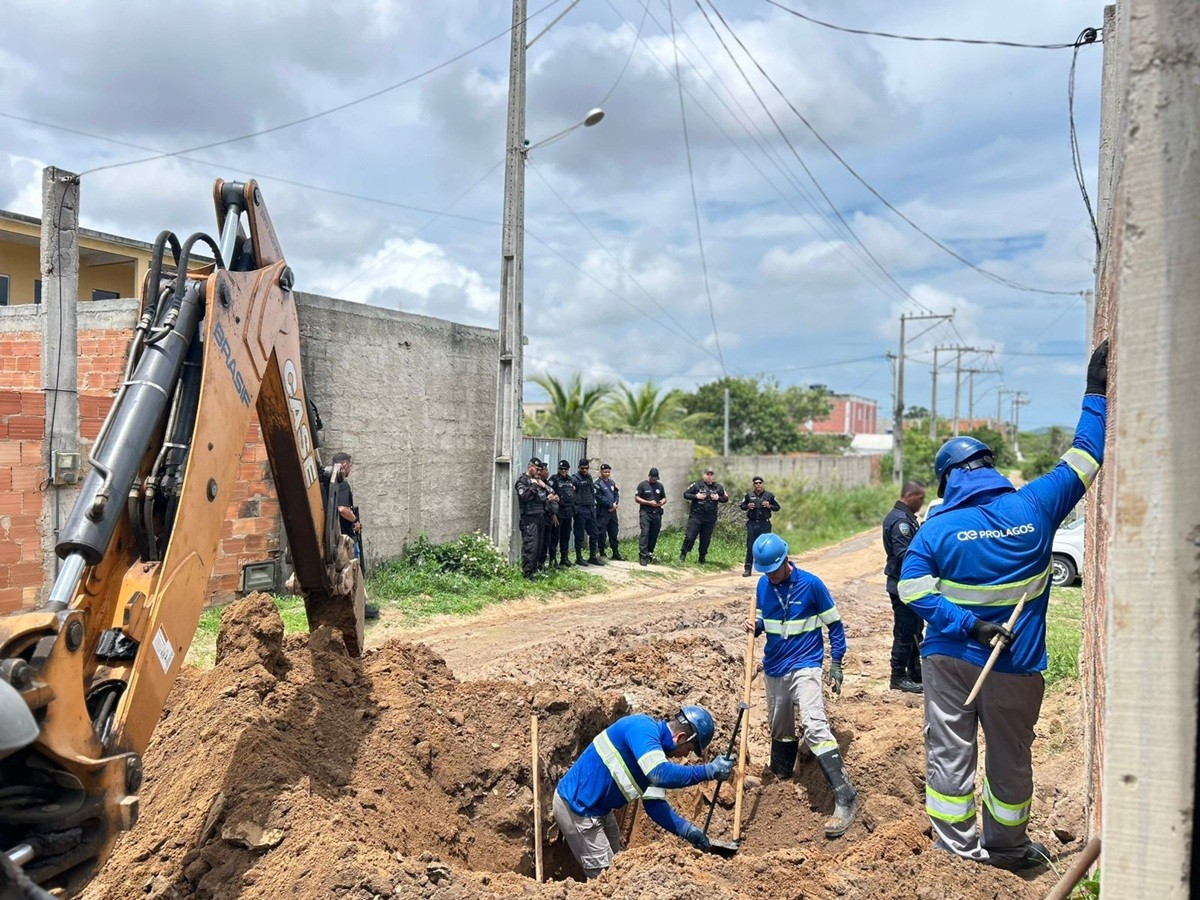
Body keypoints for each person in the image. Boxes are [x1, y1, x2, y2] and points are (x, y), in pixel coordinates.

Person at [898, 341, 1108, 871]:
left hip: (949, 658)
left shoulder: (936, 529)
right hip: (1016, 663)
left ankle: (956, 854)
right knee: (1010, 756)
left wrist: (968, 624)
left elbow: (912, 591)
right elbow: (1086, 456)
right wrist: (1095, 392)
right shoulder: (1037, 503)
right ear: (989, 468)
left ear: (949, 479)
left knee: (950, 751)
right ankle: (1008, 849)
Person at [746, 533, 859, 838]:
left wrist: (836, 661)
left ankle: (845, 794)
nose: (770, 575)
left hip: (806, 663)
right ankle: (781, 779)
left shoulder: (811, 585)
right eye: (765, 571)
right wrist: (755, 626)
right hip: (775, 666)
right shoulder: (762, 586)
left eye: (774, 569)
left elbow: (835, 625)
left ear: (785, 560)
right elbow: (764, 619)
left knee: (813, 724)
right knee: (779, 727)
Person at [553, 706, 734, 878]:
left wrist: (688, 831)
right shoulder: (642, 728)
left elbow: (655, 805)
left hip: (599, 811)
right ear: (681, 737)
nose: (686, 756)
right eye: (689, 749)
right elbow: (660, 774)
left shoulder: (653, 753)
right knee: (607, 880)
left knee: (620, 868)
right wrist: (707, 771)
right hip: (577, 809)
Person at [882, 480, 927, 693]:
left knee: (916, 628)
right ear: (909, 495)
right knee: (905, 630)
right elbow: (904, 554)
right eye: (920, 498)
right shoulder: (901, 521)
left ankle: (914, 671)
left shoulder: (905, 518)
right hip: (903, 585)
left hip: (910, 584)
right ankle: (898, 675)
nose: (922, 503)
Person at [331, 452, 379, 619]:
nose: (350, 469)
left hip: (333, 539)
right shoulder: (342, 485)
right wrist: (355, 521)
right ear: (344, 465)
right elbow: (343, 509)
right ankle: (361, 607)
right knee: (355, 572)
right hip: (347, 539)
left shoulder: (326, 485)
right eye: (350, 466)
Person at [680, 469, 729, 564]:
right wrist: (696, 496)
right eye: (707, 474)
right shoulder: (696, 485)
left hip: (710, 519)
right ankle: (683, 555)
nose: (709, 476)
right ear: (704, 475)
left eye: (711, 474)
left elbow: (725, 498)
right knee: (690, 537)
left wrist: (718, 498)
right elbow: (685, 494)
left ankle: (702, 558)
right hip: (696, 517)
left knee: (705, 540)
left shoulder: (718, 487)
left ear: (713, 477)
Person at [515, 457, 549, 580]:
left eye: (540, 470)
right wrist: (534, 485)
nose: (539, 472)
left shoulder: (538, 481)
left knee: (539, 546)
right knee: (531, 547)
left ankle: (534, 570)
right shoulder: (522, 481)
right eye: (537, 469)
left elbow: (547, 495)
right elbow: (525, 497)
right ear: (530, 467)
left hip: (540, 517)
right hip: (529, 519)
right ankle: (527, 573)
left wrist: (544, 487)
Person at [739, 476, 780, 577]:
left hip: (764, 524)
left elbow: (777, 507)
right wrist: (747, 506)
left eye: (760, 483)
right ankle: (748, 569)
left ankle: (769, 570)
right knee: (750, 546)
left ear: (762, 484)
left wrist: (769, 506)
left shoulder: (769, 495)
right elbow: (742, 506)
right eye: (756, 483)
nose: (758, 485)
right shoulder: (749, 495)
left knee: (766, 547)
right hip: (752, 524)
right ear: (753, 484)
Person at [571, 459, 605, 566]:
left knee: (594, 534)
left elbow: (592, 493)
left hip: (590, 510)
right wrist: (576, 509)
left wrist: (593, 507)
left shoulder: (589, 477)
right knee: (579, 535)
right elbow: (572, 495)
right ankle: (579, 557)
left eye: (586, 468)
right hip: (580, 510)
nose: (585, 470)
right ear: (579, 467)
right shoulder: (574, 479)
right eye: (582, 468)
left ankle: (592, 557)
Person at [634, 468, 667, 566]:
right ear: (649, 476)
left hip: (656, 513)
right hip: (646, 513)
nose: (654, 480)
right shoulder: (642, 485)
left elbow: (664, 497)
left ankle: (650, 553)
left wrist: (662, 501)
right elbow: (637, 498)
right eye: (653, 478)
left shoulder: (660, 486)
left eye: (656, 479)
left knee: (654, 534)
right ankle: (643, 556)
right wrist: (648, 502)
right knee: (645, 533)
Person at [549, 460, 578, 567]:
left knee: (565, 536)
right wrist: (553, 514)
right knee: (555, 537)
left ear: (568, 469)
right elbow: (550, 497)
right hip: (558, 513)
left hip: (568, 513)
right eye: (561, 469)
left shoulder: (571, 480)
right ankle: (553, 559)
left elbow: (574, 494)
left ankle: (564, 558)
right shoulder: (554, 479)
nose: (563, 471)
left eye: (565, 469)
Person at [594, 463, 622, 560]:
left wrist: (615, 504)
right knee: (601, 533)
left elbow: (616, 494)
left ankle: (615, 552)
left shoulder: (612, 483)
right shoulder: (597, 484)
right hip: (603, 512)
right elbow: (599, 497)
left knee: (614, 532)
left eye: (608, 472)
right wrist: (610, 505)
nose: (607, 474)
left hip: (612, 512)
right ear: (601, 472)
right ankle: (602, 552)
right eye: (605, 472)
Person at [539, 460, 559, 571]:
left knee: (547, 540)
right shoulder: (537, 484)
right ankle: (538, 565)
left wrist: (553, 513)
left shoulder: (548, 484)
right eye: (545, 470)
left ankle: (545, 562)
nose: (548, 472)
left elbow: (553, 500)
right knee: (540, 542)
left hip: (549, 516)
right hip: (540, 516)